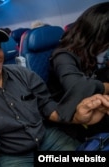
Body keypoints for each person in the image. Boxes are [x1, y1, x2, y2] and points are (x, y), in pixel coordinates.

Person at [0, 25, 109, 167]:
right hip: (12, 153)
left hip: (46, 138)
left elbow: (48, 108)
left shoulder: (23, 74)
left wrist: (77, 116)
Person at [47, 2, 109, 141]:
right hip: (68, 115)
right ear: (96, 37)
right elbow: (79, 87)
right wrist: (106, 87)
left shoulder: (91, 53)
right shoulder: (62, 55)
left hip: (92, 105)